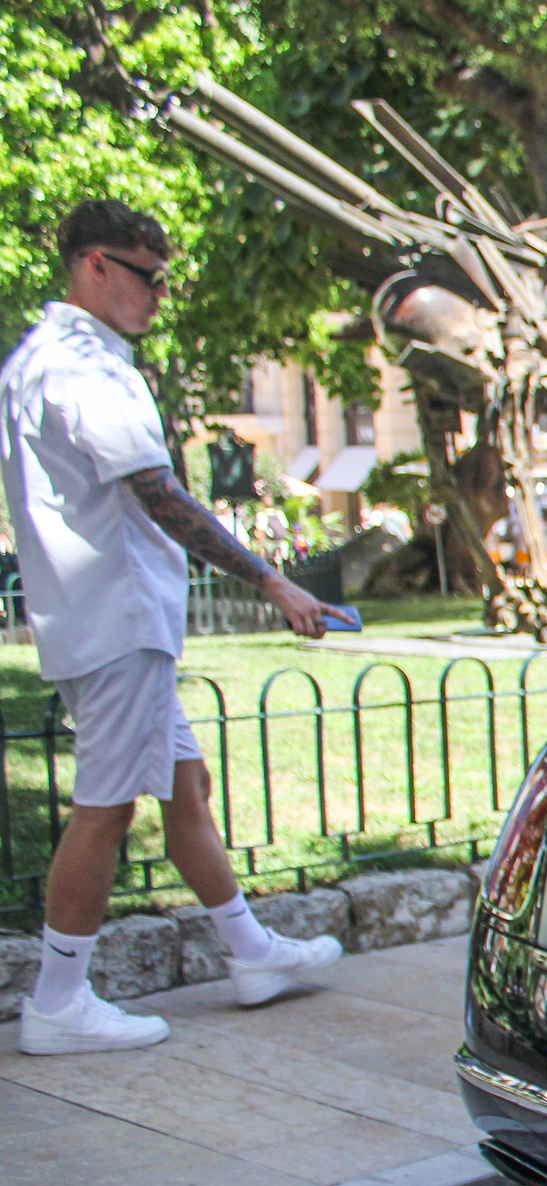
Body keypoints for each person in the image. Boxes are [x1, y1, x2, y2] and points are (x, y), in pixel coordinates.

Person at [0, 199, 344, 1053]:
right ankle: (58, 1002)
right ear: (94, 267)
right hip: (115, 616)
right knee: (105, 810)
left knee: (183, 786)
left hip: (109, 615)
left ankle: (251, 951)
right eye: (146, 275)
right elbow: (156, 493)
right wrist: (273, 580)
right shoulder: (82, 367)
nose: (160, 294)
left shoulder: (44, 358)